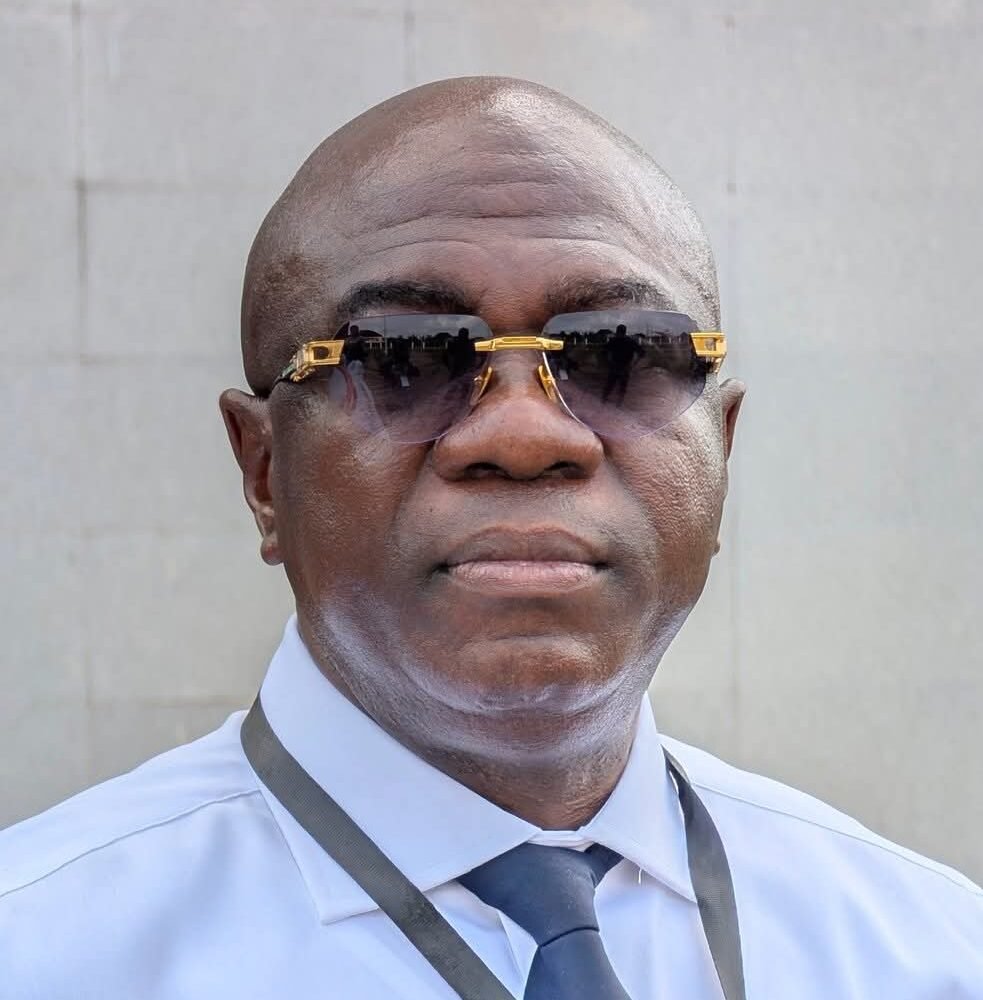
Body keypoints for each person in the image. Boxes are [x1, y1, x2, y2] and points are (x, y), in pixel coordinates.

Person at [0, 77, 980, 999]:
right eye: (404, 359)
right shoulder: (45, 951)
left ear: (718, 450)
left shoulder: (928, 955)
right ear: (264, 472)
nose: (523, 436)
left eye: (620, 352)